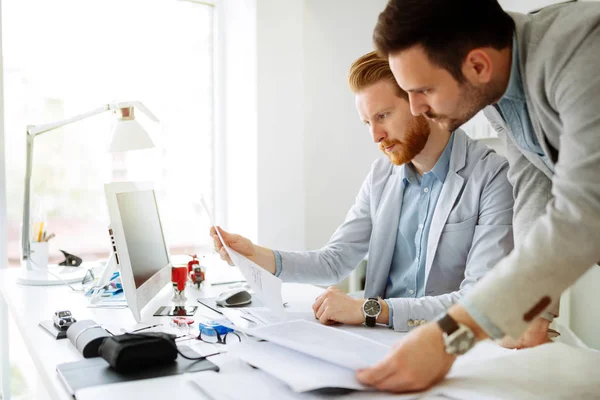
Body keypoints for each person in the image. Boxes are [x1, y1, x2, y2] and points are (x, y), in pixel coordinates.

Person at [357, 0, 600, 392]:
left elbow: (582, 216)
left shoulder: (582, 54)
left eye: (423, 90)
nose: (416, 107)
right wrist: (534, 308)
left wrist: (447, 340)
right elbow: (534, 186)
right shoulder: (498, 88)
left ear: (477, 66)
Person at [211, 51, 513, 331]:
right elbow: (334, 261)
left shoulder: (492, 176)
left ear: (420, 101)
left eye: (382, 116)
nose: (375, 136)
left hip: (445, 340)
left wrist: (370, 310)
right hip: (380, 337)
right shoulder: (381, 175)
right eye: (367, 122)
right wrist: (255, 254)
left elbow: (478, 300)